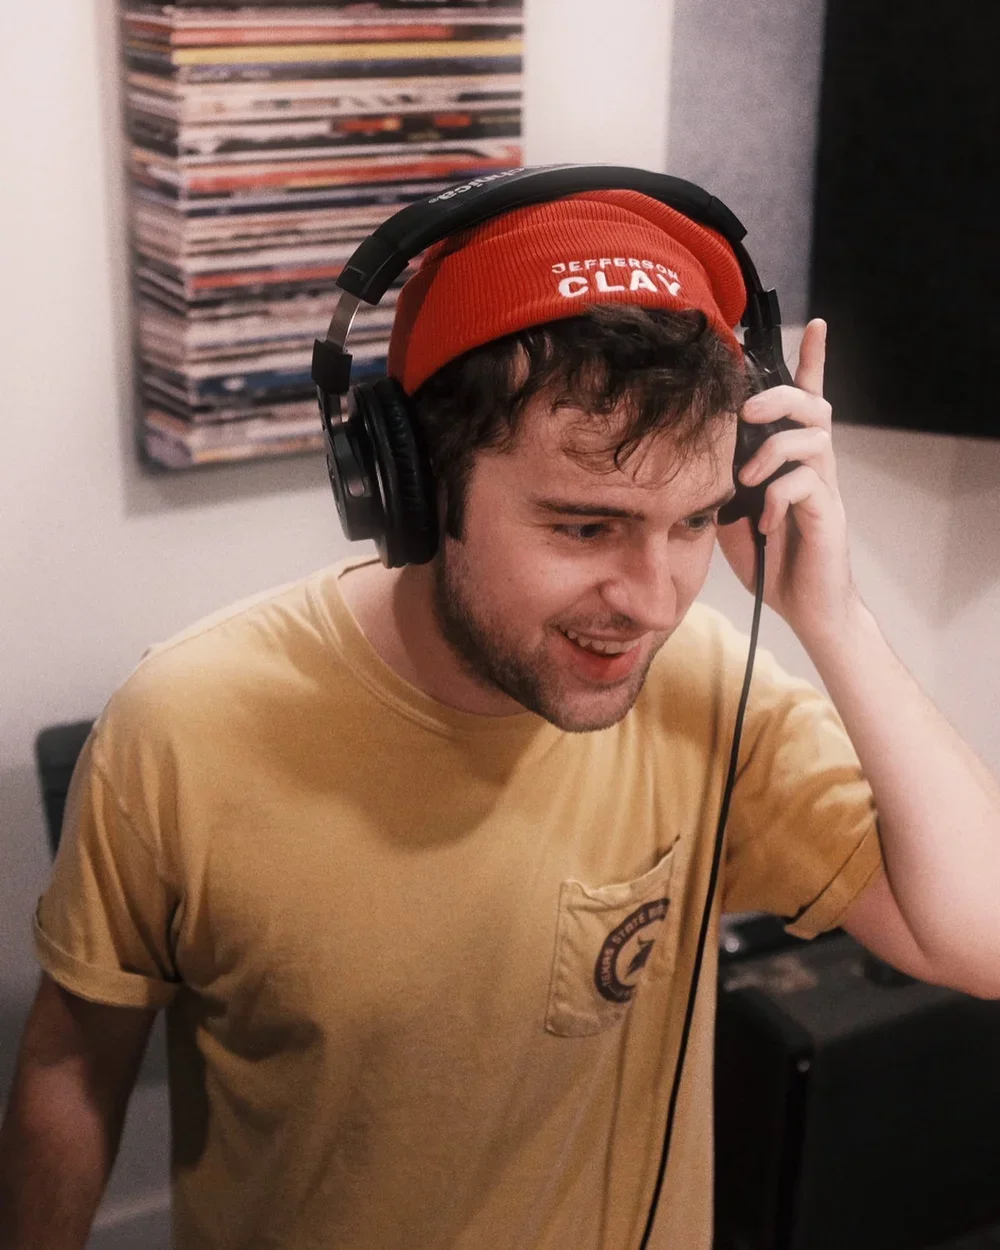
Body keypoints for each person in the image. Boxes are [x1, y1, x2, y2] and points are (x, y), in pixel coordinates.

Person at [1, 188, 998, 1250]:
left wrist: (829, 615)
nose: (654, 599)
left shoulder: (707, 688)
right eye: (586, 523)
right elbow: (73, 1063)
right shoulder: (182, 722)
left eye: (695, 520)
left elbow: (979, 941)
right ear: (417, 488)